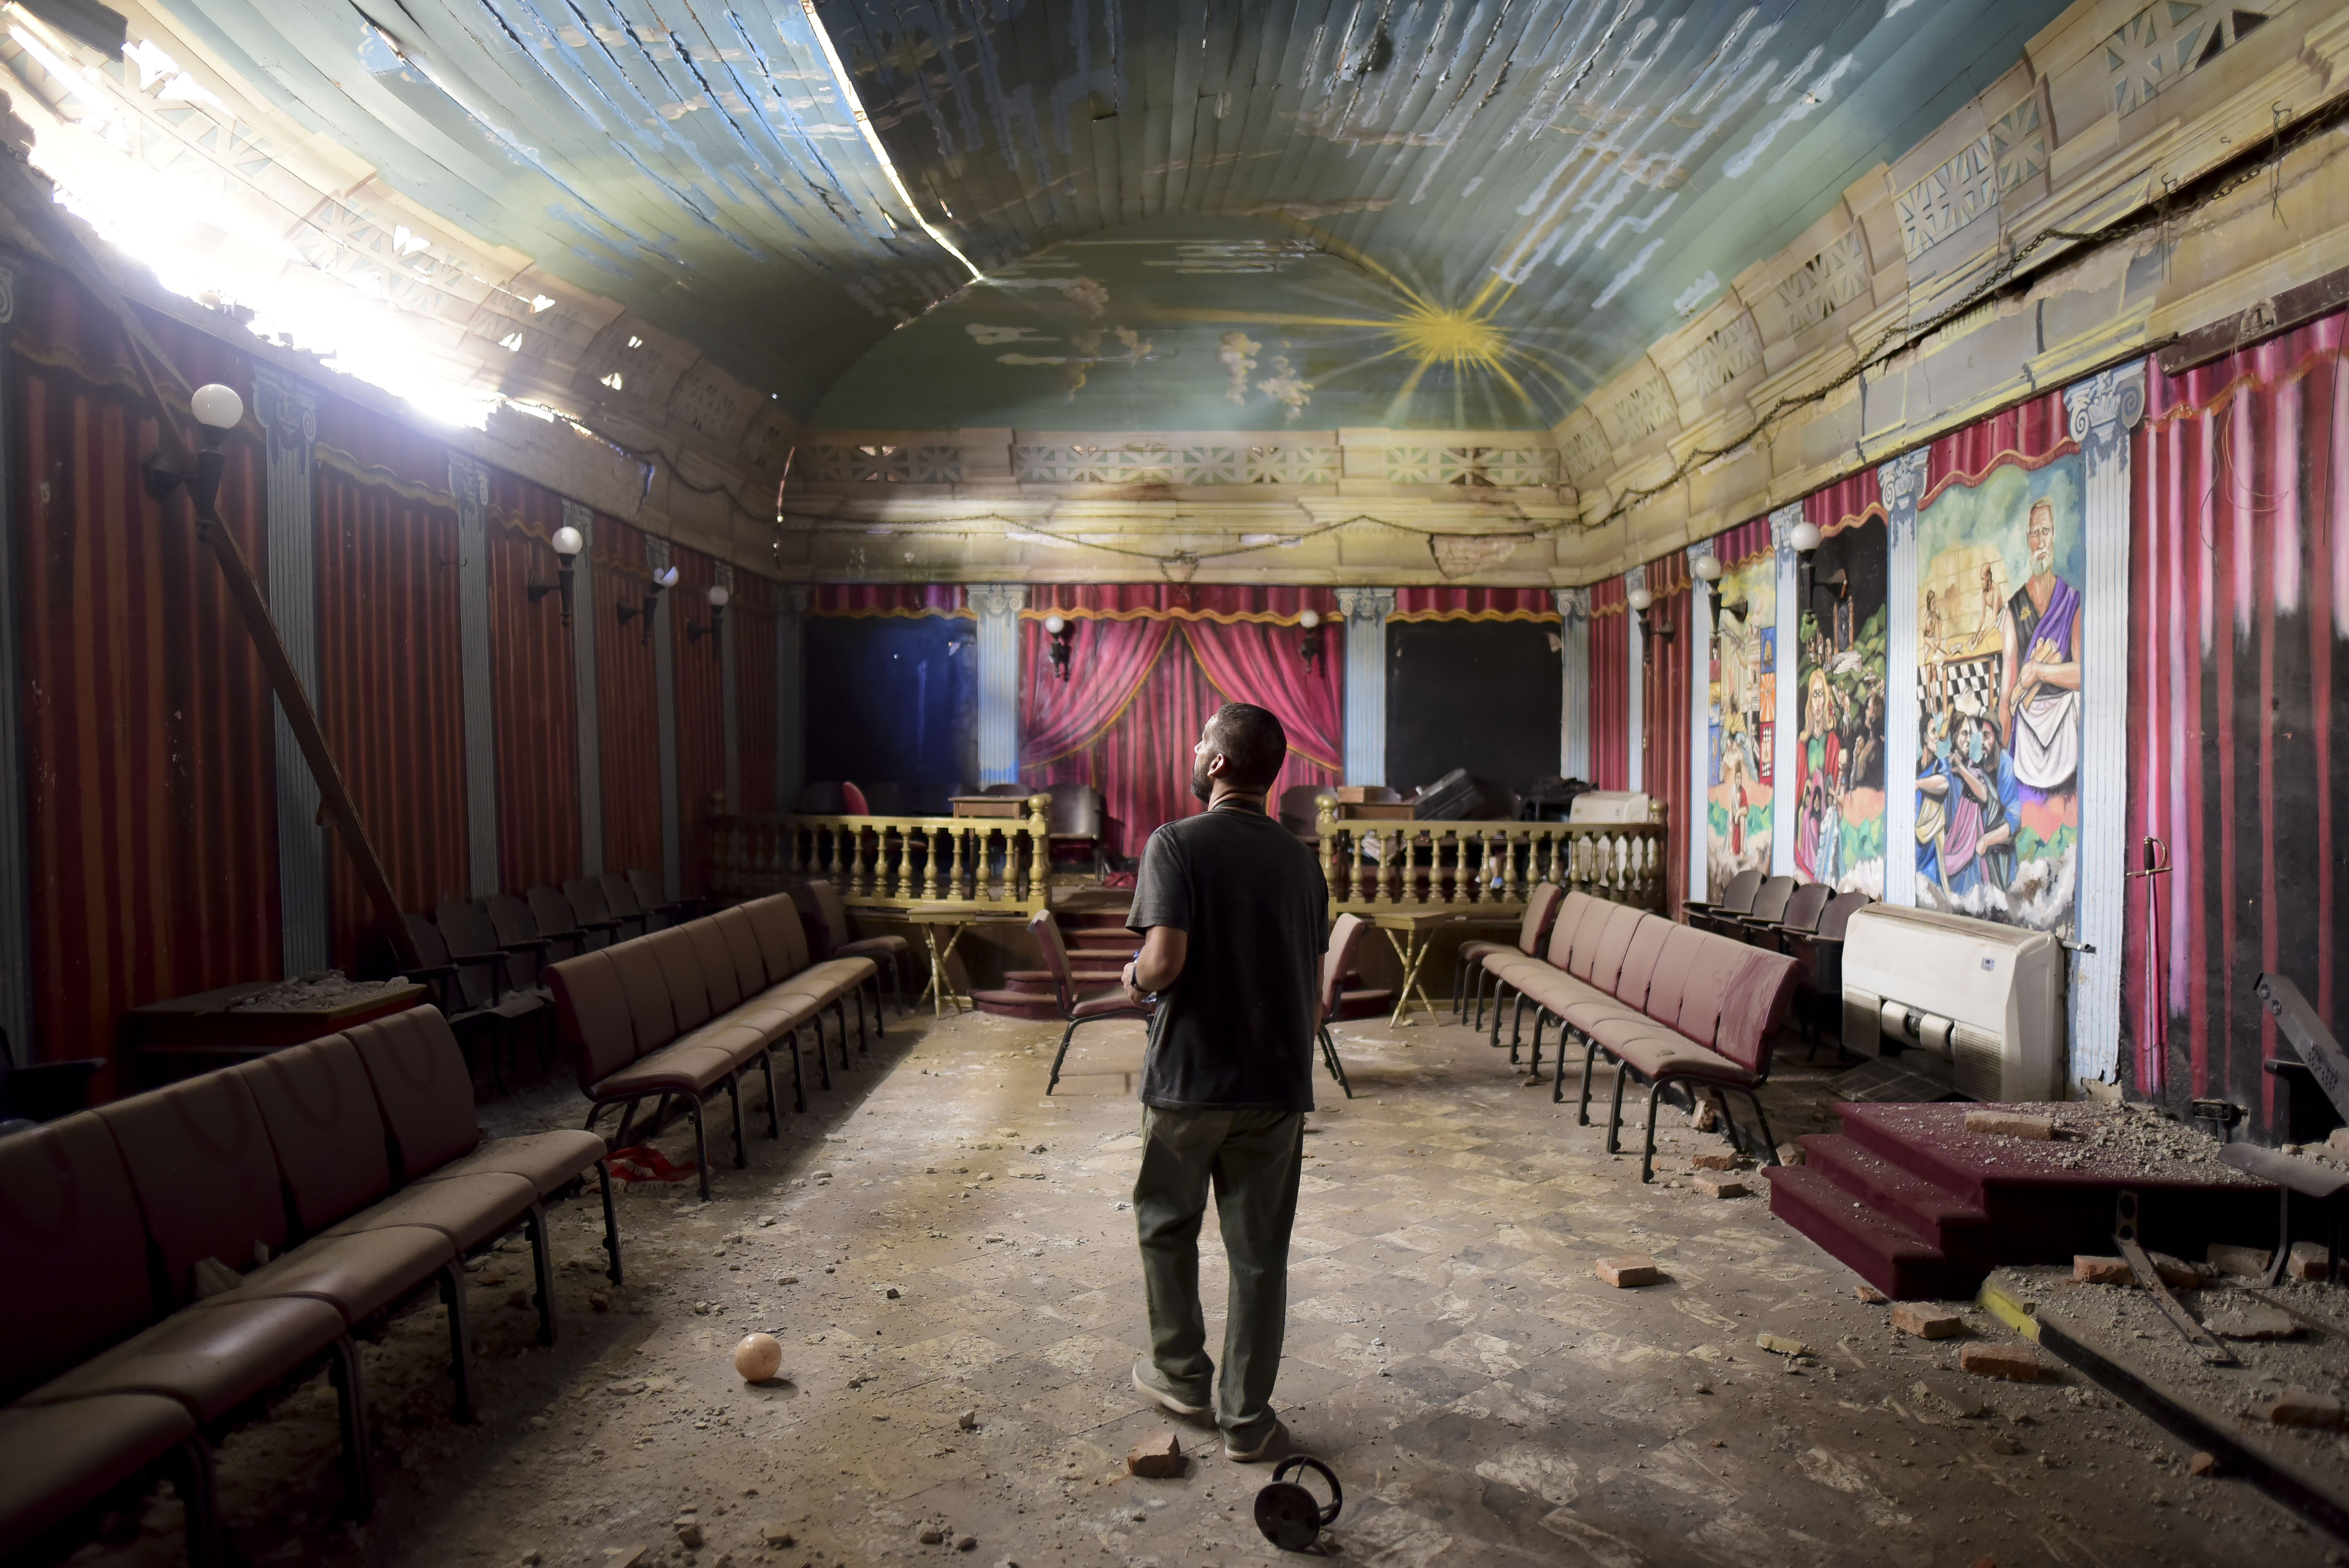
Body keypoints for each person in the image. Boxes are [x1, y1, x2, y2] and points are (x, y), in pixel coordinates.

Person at [1120, 702, 1329, 1461]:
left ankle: (1180, 1375)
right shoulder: (1303, 860)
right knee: (1260, 1252)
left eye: (1201, 735)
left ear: (1216, 764)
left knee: (1167, 1225)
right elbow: (1316, 991)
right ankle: (1248, 1420)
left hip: (1189, 1080)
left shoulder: (1174, 843)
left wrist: (1133, 977)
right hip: (1275, 1084)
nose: (1194, 741)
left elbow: (1164, 961)